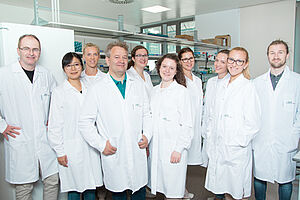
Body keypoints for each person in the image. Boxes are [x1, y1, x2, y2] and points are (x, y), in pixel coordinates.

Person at [78, 41, 152, 200]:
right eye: (116, 57)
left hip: (136, 148)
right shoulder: (97, 88)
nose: (121, 60)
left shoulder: (137, 85)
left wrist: (147, 135)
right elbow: (84, 122)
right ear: (108, 60)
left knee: (139, 192)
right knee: (118, 193)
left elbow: (147, 114)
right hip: (114, 151)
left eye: (124, 57)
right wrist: (101, 144)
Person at [0, 34, 59, 200]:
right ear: (18, 50)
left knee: (52, 180)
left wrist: (53, 119)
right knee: (24, 187)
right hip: (20, 140)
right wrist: (2, 126)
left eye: (35, 49)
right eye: (26, 48)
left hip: (45, 140)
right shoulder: (4, 74)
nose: (31, 53)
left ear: (39, 52)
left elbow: (56, 101)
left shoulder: (46, 74)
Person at [205, 47, 261, 200]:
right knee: (220, 188)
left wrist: (236, 142)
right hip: (218, 146)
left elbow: (253, 124)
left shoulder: (248, 87)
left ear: (245, 64)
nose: (234, 64)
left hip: (235, 150)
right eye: (231, 59)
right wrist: (211, 137)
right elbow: (213, 116)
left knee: (233, 192)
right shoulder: (222, 85)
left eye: (239, 61)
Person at [48, 52, 103, 200]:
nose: (73, 69)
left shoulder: (91, 88)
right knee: (74, 189)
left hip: (91, 146)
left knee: (91, 188)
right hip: (71, 148)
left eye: (76, 64)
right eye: (68, 65)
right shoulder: (59, 92)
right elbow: (54, 125)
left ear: (82, 66)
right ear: (64, 69)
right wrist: (59, 151)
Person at [253, 40, 300, 200]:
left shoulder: (297, 81)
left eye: (280, 52)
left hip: (286, 140)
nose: (276, 56)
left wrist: (294, 136)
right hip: (261, 139)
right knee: (259, 178)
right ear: (267, 56)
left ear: (287, 55)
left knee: (285, 180)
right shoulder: (257, 83)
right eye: (272, 52)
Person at [148, 53, 193, 199]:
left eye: (171, 68)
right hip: (156, 147)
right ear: (159, 67)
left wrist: (178, 149)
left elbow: (187, 124)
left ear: (176, 71)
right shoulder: (153, 91)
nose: (167, 70)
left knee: (173, 189)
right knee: (161, 185)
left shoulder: (182, 92)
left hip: (174, 147)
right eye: (164, 66)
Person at [202, 49, 230, 200]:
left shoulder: (231, 83)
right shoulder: (211, 82)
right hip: (210, 132)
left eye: (222, 61)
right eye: (216, 60)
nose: (217, 64)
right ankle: (217, 196)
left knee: (224, 172)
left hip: (223, 134)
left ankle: (222, 196)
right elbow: (207, 109)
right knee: (213, 171)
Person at [178, 47, 203, 199]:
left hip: (195, 125)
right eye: (185, 59)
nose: (189, 62)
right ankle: (180, 191)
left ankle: (182, 189)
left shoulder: (198, 79)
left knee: (186, 162)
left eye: (191, 58)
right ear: (180, 62)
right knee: (180, 161)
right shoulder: (178, 80)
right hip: (183, 126)